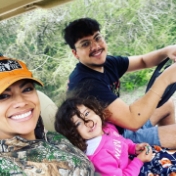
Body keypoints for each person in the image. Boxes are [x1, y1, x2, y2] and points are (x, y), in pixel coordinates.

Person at [63, 17, 176, 148]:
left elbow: (143, 61)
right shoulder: (86, 84)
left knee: (166, 104)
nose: (96, 46)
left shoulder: (107, 63)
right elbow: (133, 121)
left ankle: (166, 156)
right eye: (85, 44)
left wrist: (167, 50)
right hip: (116, 141)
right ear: (75, 53)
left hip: (124, 126)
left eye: (97, 37)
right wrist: (164, 79)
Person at [0, 55, 95, 176]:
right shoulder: (6, 166)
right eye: (3, 96)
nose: (21, 102)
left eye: (27, 89)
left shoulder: (52, 136)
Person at [55, 97, 176, 176]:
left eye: (87, 113)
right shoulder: (98, 158)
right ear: (73, 133)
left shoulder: (106, 128)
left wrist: (134, 147)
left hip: (135, 160)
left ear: (95, 110)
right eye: (78, 123)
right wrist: (139, 161)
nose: (88, 122)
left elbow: (122, 142)